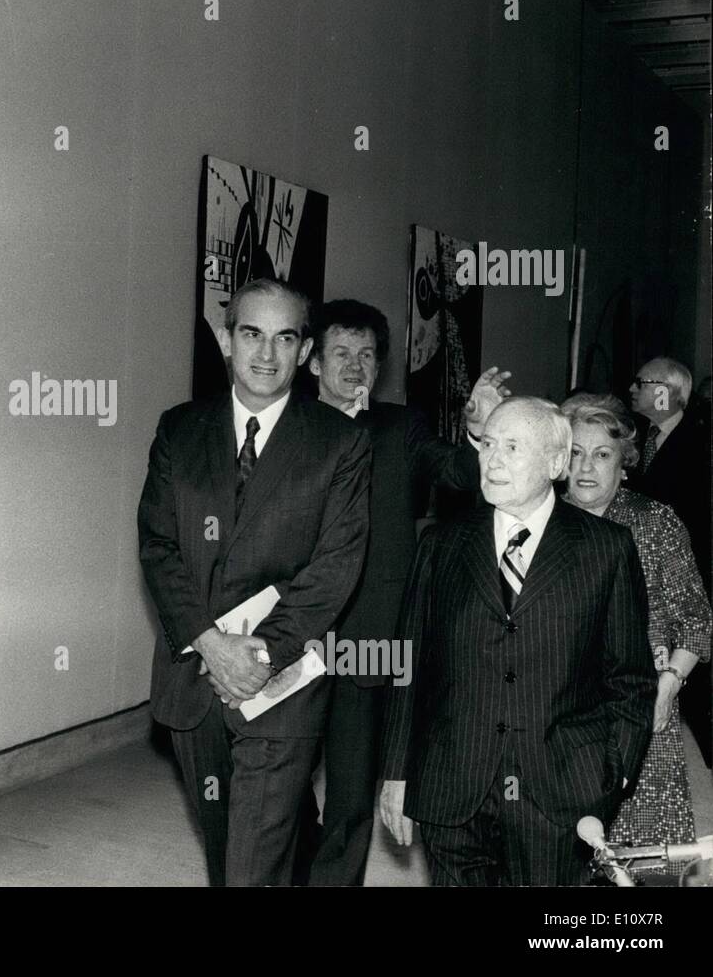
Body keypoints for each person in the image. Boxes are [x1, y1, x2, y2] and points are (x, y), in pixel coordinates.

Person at [137, 278, 371, 886]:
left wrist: (261, 652)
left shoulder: (339, 442)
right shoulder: (178, 430)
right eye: (252, 334)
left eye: (284, 337)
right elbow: (159, 547)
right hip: (195, 676)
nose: (266, 355)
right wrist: (213, 645)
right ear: (225, 340)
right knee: (227, 856)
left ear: (304, 350)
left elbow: (336, 565)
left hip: (283, 682)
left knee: (252, 865)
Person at [378, 397, 654, 886]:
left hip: (560, 788)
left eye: (512, 447)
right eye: (487, 445)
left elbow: (630, 678)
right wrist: (397, 772)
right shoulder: (441, 544)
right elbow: (408, 665)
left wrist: (614, 776)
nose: (494, 459)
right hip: (453, 783)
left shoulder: (605, 548)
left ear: (554, 464)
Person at [294, 298, 508, 886]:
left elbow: (463, 475)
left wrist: (478, 430)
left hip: (368, 642)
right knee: (276, 785)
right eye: (341, 353)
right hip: (287, 637)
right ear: (312, 360)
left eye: (367, 355)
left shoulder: (400, 428)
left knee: (350, 793)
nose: (356, 366)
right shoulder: (286, 428)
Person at [560, 394, 711, 865]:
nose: (586, 466)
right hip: (560, 712)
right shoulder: (544, 523)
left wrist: (667, 688)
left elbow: (697, 618)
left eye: (602, 454)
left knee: (642, 858)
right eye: (574, 453)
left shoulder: (655, 522)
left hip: (642, 707)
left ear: (624, 464)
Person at [629, 356, 712, 769]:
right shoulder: (644, 438)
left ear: (667, 392)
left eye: (641, 382)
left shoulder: (700, 443)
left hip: (688, 577)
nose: (632, 388)